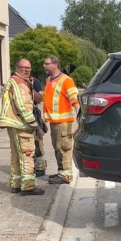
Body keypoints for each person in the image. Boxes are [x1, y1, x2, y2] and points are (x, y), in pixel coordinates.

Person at [0, 59, 45, 196]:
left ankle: (17, 184)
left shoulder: (13, 81)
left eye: (29, 68)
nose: (27, 70)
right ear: (17, 68)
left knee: (16, 154)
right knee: (27, 154)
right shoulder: (19, 83)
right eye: (24, 68)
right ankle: (28, 186)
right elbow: (23, 104)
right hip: (21, 124)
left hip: (13, 123)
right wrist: (33, 122)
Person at [42, 56, 79, 184]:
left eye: (46, 63)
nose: (44, 66)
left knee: (63, 148)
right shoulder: (49, 79)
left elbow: (74, 98)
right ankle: (61, 172)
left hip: (63, 122)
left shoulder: (66, 80)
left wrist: (79, 115)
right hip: (55, 122)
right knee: (58, 148)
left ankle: (65, 176)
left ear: (55, 65)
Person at [30, 74, 47, 178]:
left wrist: (30, 89)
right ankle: (29, 166)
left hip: (33, 116)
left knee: (38, 142)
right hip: (19, 117)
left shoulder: (34, 81)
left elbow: (40, 99)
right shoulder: (15, 81)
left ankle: (40, 168)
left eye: (28, 68)